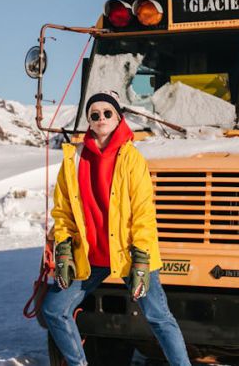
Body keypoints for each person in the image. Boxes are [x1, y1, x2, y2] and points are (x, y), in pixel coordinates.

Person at [42, 92, 191, 366]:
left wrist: (142, 259)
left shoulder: (131, 159)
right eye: (94, 115)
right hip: (91, 256)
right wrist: (63, 248)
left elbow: (143, 213)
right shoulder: (73, 159)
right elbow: (63, 212)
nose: (101, 119)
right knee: (53, 309)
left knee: (159, 317)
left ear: (118, 117)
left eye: (107, 113)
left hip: (129, 255)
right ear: (88, 120)